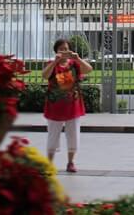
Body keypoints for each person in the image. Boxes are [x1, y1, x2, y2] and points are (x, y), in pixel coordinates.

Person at [43, 38, 93, 173]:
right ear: (56, 51)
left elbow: (89, 69)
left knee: (73, 134)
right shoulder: (51, 64)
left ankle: (70, 162)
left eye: (66, 49)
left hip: (73, 105)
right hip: (55, 106)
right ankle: (49, 163)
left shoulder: (74, 64)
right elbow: (45, 75)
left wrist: (78, 59)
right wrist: (55, 62)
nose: (64, 52)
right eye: (61, 49)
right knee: (53, 134)